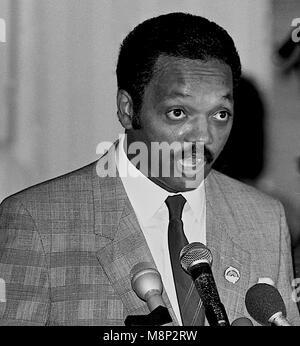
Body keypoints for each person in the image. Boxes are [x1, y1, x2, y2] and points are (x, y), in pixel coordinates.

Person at [0, 12, 299, 326]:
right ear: (128, 110)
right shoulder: (35, 222)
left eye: (220, 114)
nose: (204, 136)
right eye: (178, 112)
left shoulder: (265, 220)